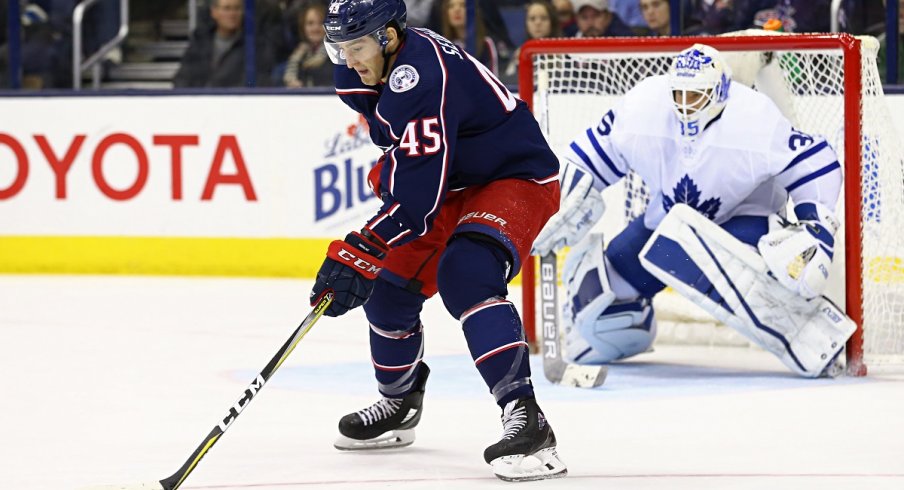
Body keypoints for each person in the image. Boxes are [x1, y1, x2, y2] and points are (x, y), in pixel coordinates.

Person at [312, 0, 566, 481]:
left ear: (389, 36)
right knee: (386, 290)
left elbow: (416, 201)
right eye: (338, 48)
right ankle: (399, 403)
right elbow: (409, 157)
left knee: (466, 274)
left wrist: (363, 244)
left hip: (514, 177)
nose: (348, 60)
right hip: (451, 180)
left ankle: (527, 420)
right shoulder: (356, 72)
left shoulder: (421, 76)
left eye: (358, 46)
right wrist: (371, 251)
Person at [532, 43, 855, 378]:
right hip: (668, 223)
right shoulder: (644, 107)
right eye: (679, 95)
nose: (685, 105)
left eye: (696, 95)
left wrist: (815, 226)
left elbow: (816, 161)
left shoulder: (753, 118)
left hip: (743, 225)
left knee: (689, 247)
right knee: (595, 303)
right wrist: (551, 206)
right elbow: (590, 156)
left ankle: (800, 322)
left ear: (720, 92)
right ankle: (637, 327)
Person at [173, 0, 276, 87]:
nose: (232, 14)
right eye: (227, 8)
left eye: (237, 8)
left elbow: (258, 80)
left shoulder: (255, 45)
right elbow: (183, 77)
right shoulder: (200, 42)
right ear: (214, 12)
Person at [503, 0, 562, 84]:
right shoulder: (519, 54)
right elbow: (508, 83)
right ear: (526, 24)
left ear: (552, 23)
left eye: (544, 18)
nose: (537, 23)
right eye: (532, 18)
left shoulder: (563, 54)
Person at [440, 0, 501, 74]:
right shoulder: (439, 44)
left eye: (463, 5)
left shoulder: (486, 44)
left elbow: (492, 79)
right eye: (451, 6)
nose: (457, 10)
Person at [283, 2, 333, 87]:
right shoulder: (299, 54)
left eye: (320, 23)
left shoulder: (336, 54)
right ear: (303, 27)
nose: (315, 28)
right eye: (310, 23)